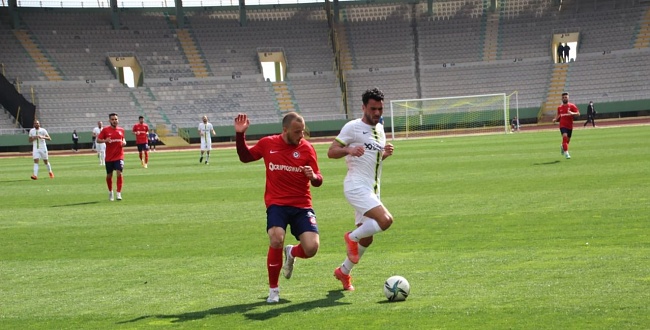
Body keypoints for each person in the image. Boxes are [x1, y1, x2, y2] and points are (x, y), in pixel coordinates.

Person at [234, 112, 323, 303]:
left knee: (312, 248)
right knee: (276, 238)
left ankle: (292, 252)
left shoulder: (307, 149)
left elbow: (318, 179)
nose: (301, 135)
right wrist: (240, 135)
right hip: (277, 204)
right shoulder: (268, 143)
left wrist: (313, 177)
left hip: (301, 205)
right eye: (297, 132)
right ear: (285, 130)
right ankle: (273, 291)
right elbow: (245, 157)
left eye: (303, 131)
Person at [327, 88, 395, 291]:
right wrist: (348, 149)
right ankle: (350, 237)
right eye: (373, 109)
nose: (377, 113)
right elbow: (331, 152)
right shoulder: (353, 127)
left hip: (372, 187)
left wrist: (384, 154)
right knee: (385, 221)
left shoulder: (380, 128)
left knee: (367, 237)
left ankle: (343, 272)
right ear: (363, 107)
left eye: (380, 109)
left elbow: (372, 159)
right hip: (356, 186)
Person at [97, 113, 127, 201]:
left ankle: (118, 193)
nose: (114, 121)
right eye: (113, 119)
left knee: (119, 173)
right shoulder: (105, 130)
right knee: (109, 175)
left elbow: (123, 139)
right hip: (109, 157)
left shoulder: (121, 130)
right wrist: (105, 140)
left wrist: (124, 142)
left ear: (118, 120)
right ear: (109, 120)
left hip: (119, 156)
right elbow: (98, 140)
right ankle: (110, 192)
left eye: (116, 119)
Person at [552, 92, 580, 159]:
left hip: (570, 125)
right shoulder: (559, 107)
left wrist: (572, 113)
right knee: (564, 136)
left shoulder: (572, 106)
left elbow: (578, 114)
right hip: (562, 125)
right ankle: (566, 153)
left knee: (567, 141)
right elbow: (558, 115)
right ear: (562, 98)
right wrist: (555, 119)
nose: (564, 98)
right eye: (563, 97)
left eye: (566, 97)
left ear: (568, 98)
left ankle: (562, 146)